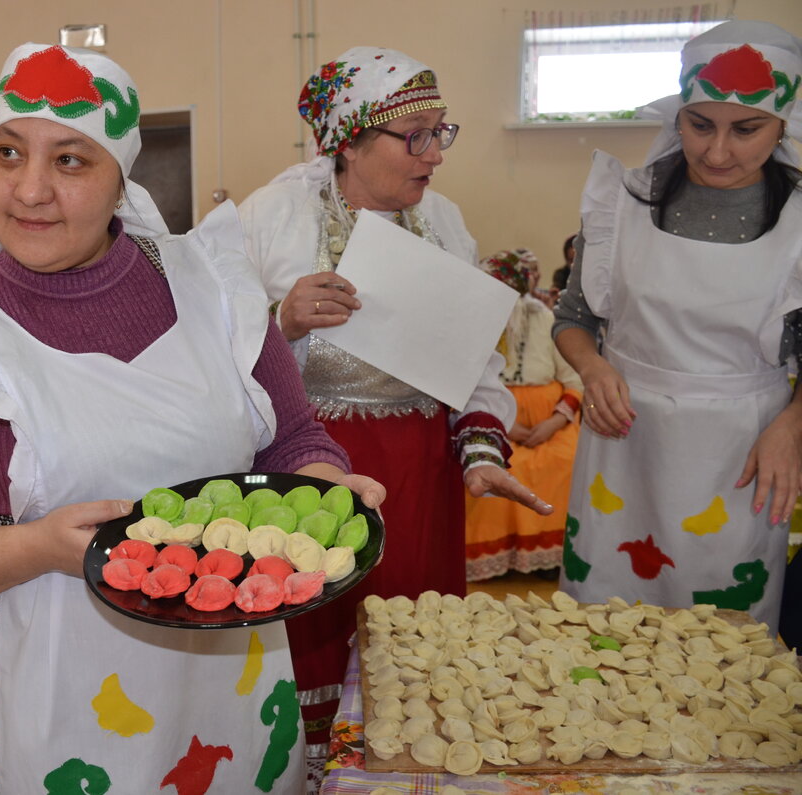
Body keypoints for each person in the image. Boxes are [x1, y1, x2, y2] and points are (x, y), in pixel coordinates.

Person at [0, 43, 384, 794]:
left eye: (70, 160)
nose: (30, 190)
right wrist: (35, 547)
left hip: (233, 682)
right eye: (8, 153)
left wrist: (323, 488)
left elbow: (290, 437)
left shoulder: (213, 290)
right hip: (62, 704)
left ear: (119, 178)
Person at [237, 47, 551, 757]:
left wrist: (479, 452)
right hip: (311, 471)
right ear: (349, 141)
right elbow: (205, 340)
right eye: (415, 137)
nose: (435, 155)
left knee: (413, 641)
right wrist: (281, 322)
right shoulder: (271, 217)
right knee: (313, 619)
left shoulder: (444, 221)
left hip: (418, 474)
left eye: (441, 133)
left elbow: (474, 356)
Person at [553, 21, 802, 633]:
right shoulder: (623, 203)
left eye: (746, 129)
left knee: (724, 636)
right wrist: (593, 366)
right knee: (608, 629)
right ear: (678, 115)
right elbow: (573, 319)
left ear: (783, 124)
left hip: (742, 456)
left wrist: (793, 425)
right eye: (700, 125)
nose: (717, 152)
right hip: (625, 447)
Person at [466, 249, 583, 581]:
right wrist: (504, 424)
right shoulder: (478, 323)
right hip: (497, 419)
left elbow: (574, 379)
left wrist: (554, 422)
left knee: (566, 461)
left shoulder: (546, 318)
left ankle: (550, 559)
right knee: (497, 468)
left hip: (552, 424)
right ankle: (497, 558)